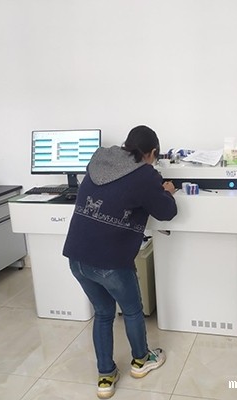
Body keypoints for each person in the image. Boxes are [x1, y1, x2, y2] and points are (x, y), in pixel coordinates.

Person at [63, 125, 177, 399]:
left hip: (77, 257)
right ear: (152, 152)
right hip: (110, 261)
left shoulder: (99, 158)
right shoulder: (144, 174)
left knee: (103, 313)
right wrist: (167, 191)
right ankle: (141, 361)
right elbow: (166, 212)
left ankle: (105, 377)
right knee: (133, 310)